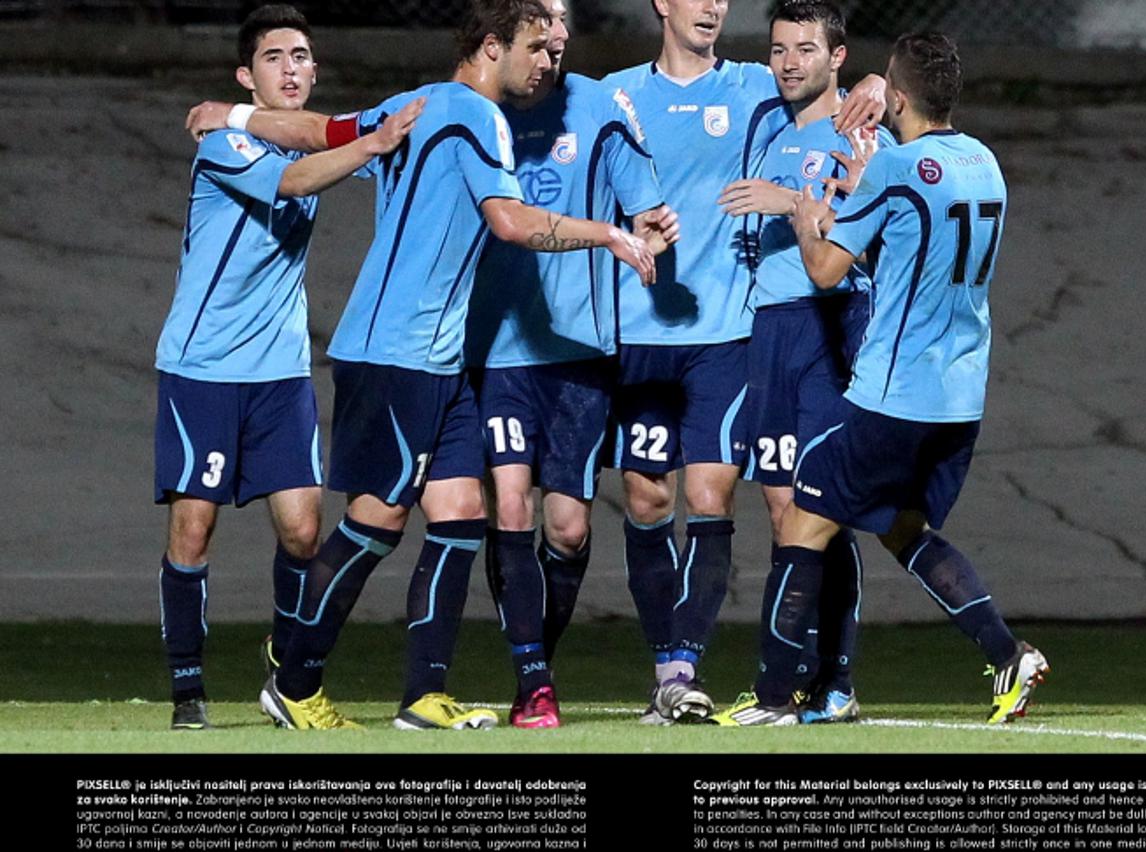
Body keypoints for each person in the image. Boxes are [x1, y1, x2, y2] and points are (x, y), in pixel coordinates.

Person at [189, 0, 661, 730]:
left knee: (460, 514)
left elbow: (321, 129)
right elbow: (512, 222)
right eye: (536, 48)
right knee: (375, 524)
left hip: (440, 359)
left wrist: (235, 115)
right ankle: (294, 678)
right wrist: (610, 235)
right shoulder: (477, 116)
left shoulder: (415, 102)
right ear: (493, 45)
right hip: (395, 352)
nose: (547, 63)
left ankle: (422, 698)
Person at [717, 31, 1048, 726]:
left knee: (803, 527)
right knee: (902, 528)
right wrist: (854, 203)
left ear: (895, 98)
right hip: (960, 399)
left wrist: (809, 218)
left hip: (895, 395)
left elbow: (824, 271)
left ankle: (776, 698)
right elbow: (915, 240)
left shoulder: (895, 171)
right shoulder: (984, 164)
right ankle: (1006, 653)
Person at [599, 0, 886, 725]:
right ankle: (669, 667)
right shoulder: (617, 94)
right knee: (643, 498)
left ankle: (738, 671)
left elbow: (846, 89)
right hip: (639, 332)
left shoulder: (759, 85)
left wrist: (882, 85)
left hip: (732, 335)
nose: (714, 5)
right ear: (662, 2)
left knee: (743, 498)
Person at [153, 4, 421, 730]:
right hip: (203, 367)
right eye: (276, 57)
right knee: (193, 529)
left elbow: (335, 146)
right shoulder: (221, 146)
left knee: (304, 532)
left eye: (302, 56)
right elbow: (300, 177)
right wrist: (372, 144)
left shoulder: (295, 134)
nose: (293, 67)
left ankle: (283, 664)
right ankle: (187, 692)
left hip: (279, 373)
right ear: (247, 77)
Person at [465, 0, 678, 729]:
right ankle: (534, 681)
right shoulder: (474, 110)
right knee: (513, 507)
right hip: (499, 353)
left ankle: (535, 665)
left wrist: (653, 224)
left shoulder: (598, 106)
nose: (554, 34)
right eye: (540, 19)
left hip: (582, 353)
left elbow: (645, 204)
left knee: (568, 529)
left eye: (561, 18)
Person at [713, 0, 893, 726]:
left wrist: (786, 199)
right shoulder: (764, 114)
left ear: (836, 57)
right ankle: (816, 685)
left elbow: (871, 211)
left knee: (820, 507)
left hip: (831, 322)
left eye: (806, 49)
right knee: (783, 506)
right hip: (771, 330)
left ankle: (818, 683)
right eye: (780, 48)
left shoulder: (859, 126)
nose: (790, 62)